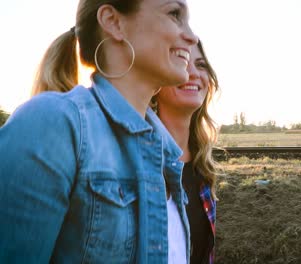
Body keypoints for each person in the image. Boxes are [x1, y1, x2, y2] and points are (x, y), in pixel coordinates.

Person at [0, 0, 198, 263]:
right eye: (175, 13)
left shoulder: (165, 152)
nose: (192, 37)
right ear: (113, 22)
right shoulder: (55, 122)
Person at [153, 40, 219, 264]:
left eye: (201, 65)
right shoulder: (137, 162)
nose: (193, 72)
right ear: (154, 82)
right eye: (181, 62)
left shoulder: (203, 166)